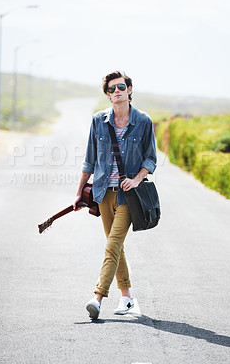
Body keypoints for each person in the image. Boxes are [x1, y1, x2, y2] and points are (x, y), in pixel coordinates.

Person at [73, 71, 157, 320]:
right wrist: (79, 192)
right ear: (107, 94)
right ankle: (128, 298)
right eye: (111, 89)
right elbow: (89, 160)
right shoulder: (99, 121)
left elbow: (150, 158)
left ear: (130, 90)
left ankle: (97, 298)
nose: (117, 91)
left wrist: (136, 179)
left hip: (128, 197)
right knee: (116, 247)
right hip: (102, 194)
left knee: (111, 246)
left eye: (121, 87)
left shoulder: (142, 121)